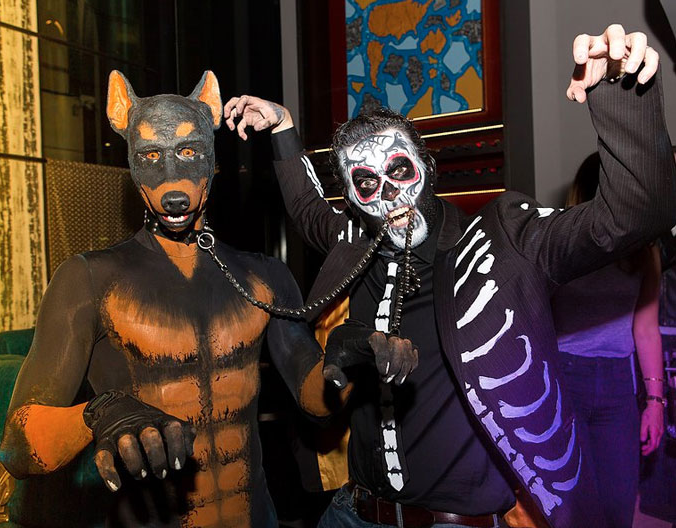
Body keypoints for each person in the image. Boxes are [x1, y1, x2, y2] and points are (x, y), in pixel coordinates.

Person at [224, 25, 676, 528]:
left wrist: (620, 91)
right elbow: (308, 210)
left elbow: (633, 216)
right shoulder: (356, 241)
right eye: (367, 183)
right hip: (352, 514)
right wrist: (283, 127)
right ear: (352, 199)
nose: (390, 194)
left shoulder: (501, 242)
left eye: (399, 170)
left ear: (427, 166)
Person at [0, 70, 347, 527]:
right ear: (130, 161)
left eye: (188, 151)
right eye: (150, 155)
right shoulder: (88, 280)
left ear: (212, 157)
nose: (172, 182)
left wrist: (354, 358)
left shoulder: (264, 276)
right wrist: (99, 413)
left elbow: (316, 401)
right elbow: (17, 447)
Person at [550, 155, 664, 528]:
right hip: (565, 379)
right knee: (572, 506)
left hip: (617, 383)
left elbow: (646, 328)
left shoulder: (642, 247)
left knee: (618, 505)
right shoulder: (558, 242)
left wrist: (656, 402)